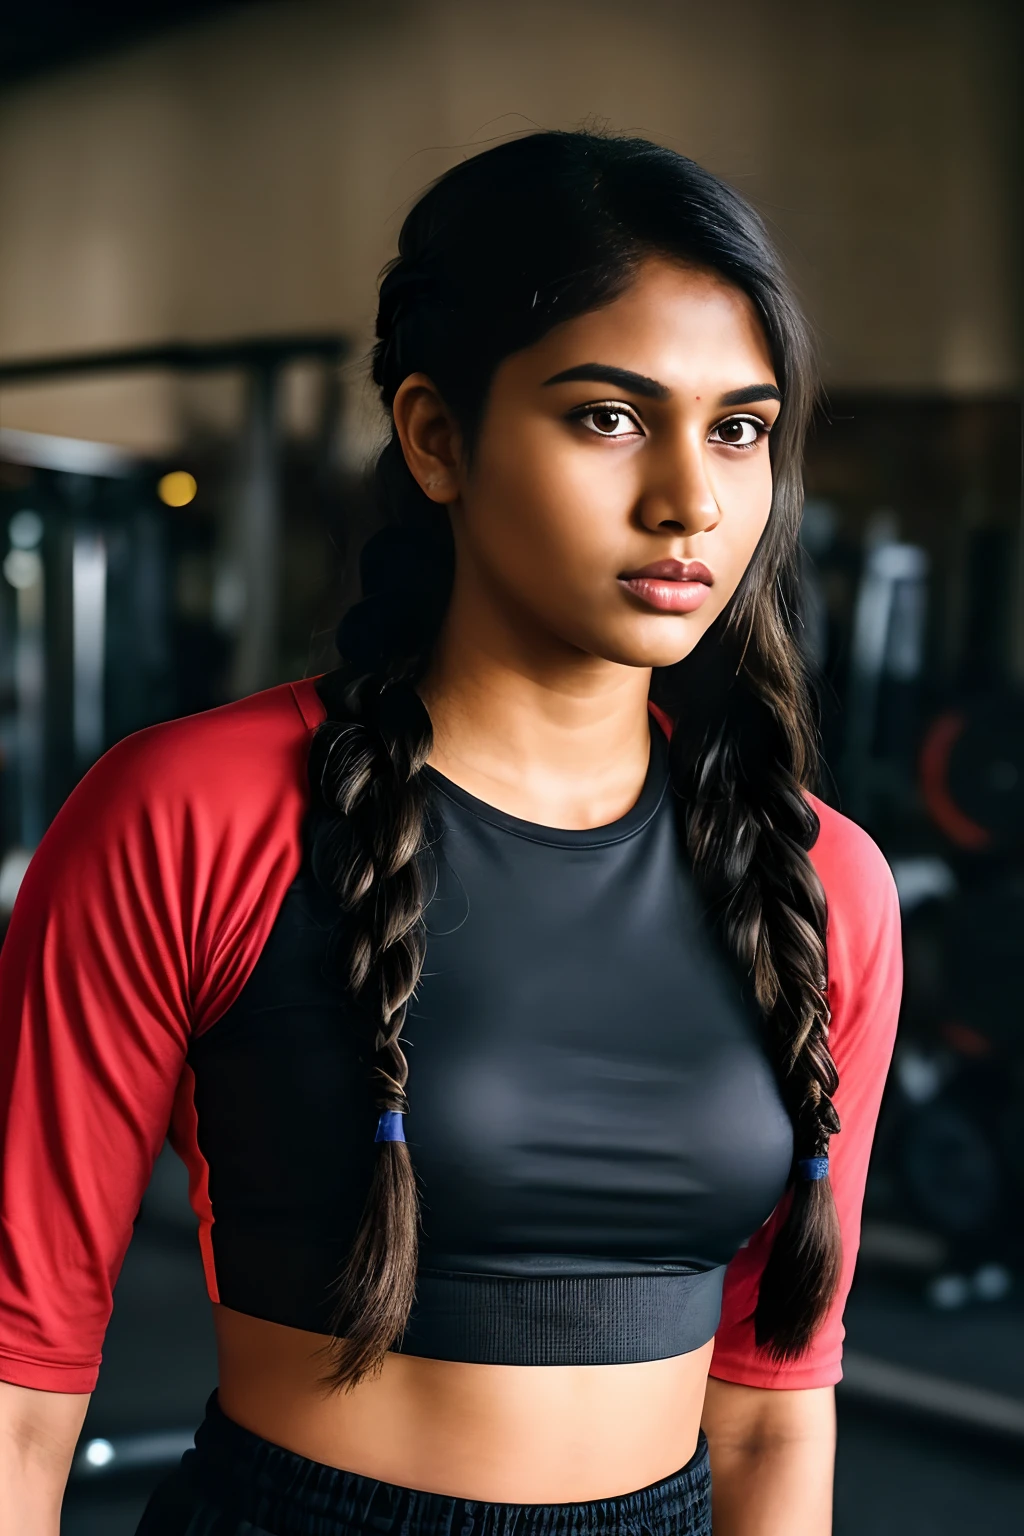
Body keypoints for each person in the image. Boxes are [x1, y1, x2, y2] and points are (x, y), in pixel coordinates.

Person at [0, 131, 901, 1536]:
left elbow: (778, 1409)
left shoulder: (823, 882)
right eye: (609, 416)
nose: (694, 501)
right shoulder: (189, 813)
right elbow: (18, 1381)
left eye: (739, 427)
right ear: (435, 436)